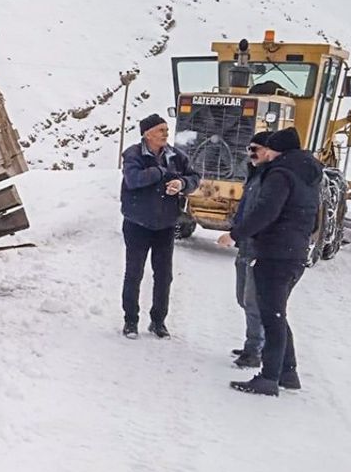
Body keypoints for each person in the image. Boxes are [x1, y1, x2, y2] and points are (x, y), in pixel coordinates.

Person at [219, 127, 322, 396]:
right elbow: (315, 219)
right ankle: (288, 373)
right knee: (277, 313)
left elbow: (265, 211)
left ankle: (269, 378)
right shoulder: (309, 174)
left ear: (279, 150)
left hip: (275, 253)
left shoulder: (280, 173)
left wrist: (235, 234)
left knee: (271, 316)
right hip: (294, 252)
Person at [120, 114, 202, 339]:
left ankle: (158, 321)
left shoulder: (176, 156)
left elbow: (195, 177)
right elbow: (133, 180)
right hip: (137, 224)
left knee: (164, 275)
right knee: (134, 273)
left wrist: (183, 183)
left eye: (166, 129)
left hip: (165, 225)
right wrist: (161, 172)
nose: (166, 133)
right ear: (147, 134)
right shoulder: (133, 155)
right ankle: (130, 320)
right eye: (160, 130)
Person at [217, 131, 273, 368]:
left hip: (257, 248)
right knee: (243, 298)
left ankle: (254, 350)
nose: (251, 154)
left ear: (268, 152)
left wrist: (238, 233)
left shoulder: (271, 179)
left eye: (256, 149)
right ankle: (255, 343)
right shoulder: (255, 174)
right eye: (249, 149)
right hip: (245, 245)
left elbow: (261, 214)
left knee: (253, 301)